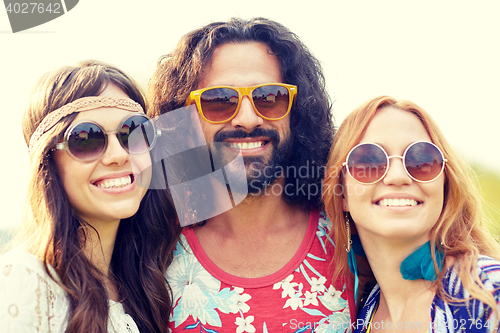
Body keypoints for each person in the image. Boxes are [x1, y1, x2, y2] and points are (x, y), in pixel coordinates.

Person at [148, 18, 355, 332]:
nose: (247, 118)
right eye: (219, 101)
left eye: (270, 98)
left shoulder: (350, 236)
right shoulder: (150, 246)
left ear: (297, 113)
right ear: (185, 120)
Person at [0, 60, 180, 333]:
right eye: (86, 139)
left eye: (133, 132)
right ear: (48, 161)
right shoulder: (22, 281)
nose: (119, 155)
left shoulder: (151, 281)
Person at [323, 95, 500, 332]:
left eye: (421, 159)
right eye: (368, 161)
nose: (398, 177)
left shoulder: (488, 289)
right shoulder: (360, 315)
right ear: (342, 193)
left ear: (445, 185)